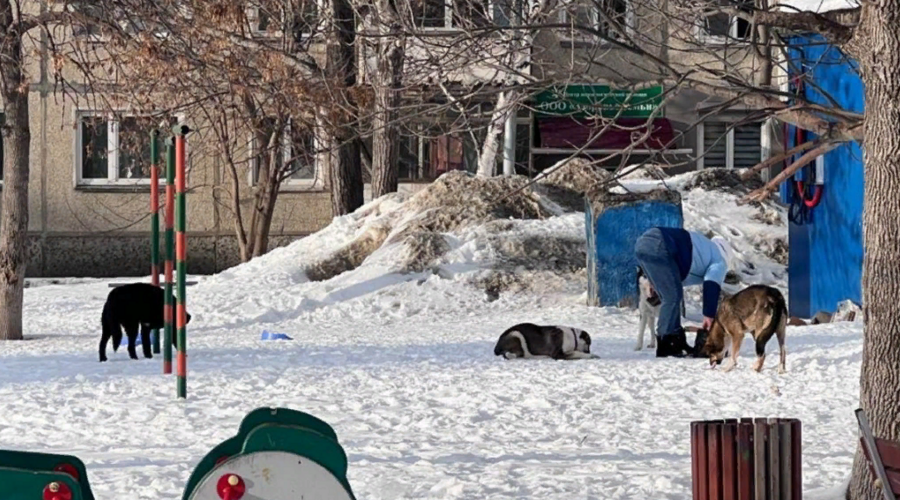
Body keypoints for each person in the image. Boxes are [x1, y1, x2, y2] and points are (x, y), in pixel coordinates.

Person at [634, 227, 735, 358]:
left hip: (644, 243)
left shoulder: (703, 251)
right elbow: (711, 284)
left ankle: (676, 341)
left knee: (672, 295)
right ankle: (668, 343)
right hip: (660, 243)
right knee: (672, 297)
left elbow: (674, 280)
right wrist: (708, 315)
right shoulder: (719, 260)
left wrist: (654, 280)